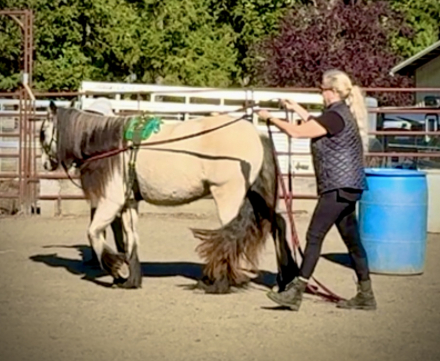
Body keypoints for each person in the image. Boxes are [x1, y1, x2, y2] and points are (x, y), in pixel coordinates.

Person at [258, 69, 376, 311]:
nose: (321, 93)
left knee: (314, 237)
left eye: (322, 89)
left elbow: (298, 131)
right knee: (352, 241)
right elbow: (315, 124)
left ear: (331, 91)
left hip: (337, 186)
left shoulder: (335, 116)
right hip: (348, 186)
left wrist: (269, 118)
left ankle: (296, 292)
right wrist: (295, 107)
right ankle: (366, 294)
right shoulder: (338, 114)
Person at [82, 98, 126, 264]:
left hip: (106, 181)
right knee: (104, 218)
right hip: (100, 180)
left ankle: (115, 253)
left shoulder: (106, 136)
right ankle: (103, 253)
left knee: (107, 217)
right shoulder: (99, 135)